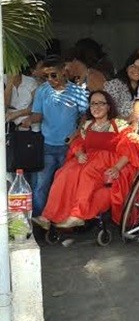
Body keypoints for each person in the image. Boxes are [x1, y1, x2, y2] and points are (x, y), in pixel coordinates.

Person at [31, 91, 139, 230]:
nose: (96, 107)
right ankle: (47, 216)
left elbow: (129, 147)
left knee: (87, 174)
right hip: (88, 160)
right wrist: (78, 153)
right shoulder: (88, 125)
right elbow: (77, 143)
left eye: (101, 103)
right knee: (64, 173)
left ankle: (77, 215)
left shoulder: (119, 124)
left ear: (108, 107)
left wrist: (117, 168)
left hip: (109, 162)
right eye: (93, 103)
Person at [21, 56, 89, 217]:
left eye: (53, 75)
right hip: (47, 144)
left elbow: (85, 116)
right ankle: (39, 219)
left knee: (65, 185)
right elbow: (38, 114)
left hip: (69, 147)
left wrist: (77, 132)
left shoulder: (77, 91)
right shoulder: (43, 90)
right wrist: (30, 119)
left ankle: (63, 220)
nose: (50, 79)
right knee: (41, 185)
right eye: (46, 76)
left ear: (63, 72)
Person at [104, 51, 139, 119]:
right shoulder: (115, 84)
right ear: (127, 68)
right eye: (133, 66)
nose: (136, 70)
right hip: (118, 127)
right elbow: (107, 110)